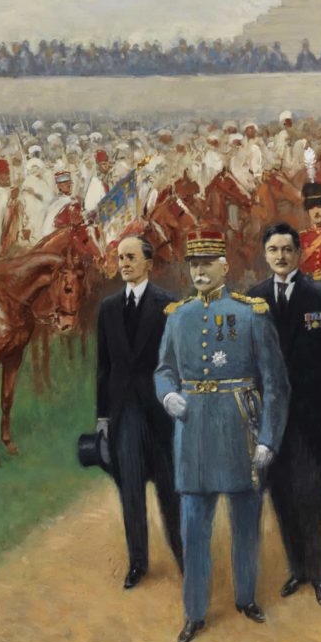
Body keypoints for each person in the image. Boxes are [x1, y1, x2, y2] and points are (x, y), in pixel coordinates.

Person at [153, 234, 288, 642]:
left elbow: (275, 384)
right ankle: (194, 612)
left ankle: (246, 598)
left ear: (224, 267)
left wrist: (268, 437)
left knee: (246, 522)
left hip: (239, 429)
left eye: (208, 263)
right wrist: (168, 393)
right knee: (193, 527)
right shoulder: (178, 316)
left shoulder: (251, 314)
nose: (199, 271)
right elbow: (163, 369)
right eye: (194, 264)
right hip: (192, 433)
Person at [250, 223, 321, 607]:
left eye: (287, 249)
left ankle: (319, 574)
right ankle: (297, 570)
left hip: (310, 415)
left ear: (299, 252)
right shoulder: (252, 300)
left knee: (308, 495)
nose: (281, 257)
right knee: (280, 495)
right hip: (271, 420)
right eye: (273, 250)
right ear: (265, 254)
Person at [93, 230, 182, 590]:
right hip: (124, 415)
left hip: (160, 413)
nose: (125, 264)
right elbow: (104, 367)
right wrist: (102, 418)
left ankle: (183, 554)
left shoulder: (169, 304)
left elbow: (178, 362)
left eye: (131, 258)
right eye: (120, 259)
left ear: (149, 263)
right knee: (130, 489)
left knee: (170, 488)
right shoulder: (109, 309)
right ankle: (138, 562)